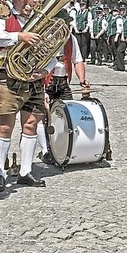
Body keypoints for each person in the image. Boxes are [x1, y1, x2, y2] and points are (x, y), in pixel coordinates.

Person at [0, 0, 51, 190]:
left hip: (34, 79)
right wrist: (20, 36)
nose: (27, 1)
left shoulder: (40, 20)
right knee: (5, 126)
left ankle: (26, 170)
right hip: (10, 78)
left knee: (31, 124)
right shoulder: (4, 17)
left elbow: (52, 49)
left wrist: (46, 69)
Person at [36, 9, 88, 162]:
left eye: (67, 23)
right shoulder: (44, 39)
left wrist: (82, 78)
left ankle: (63, 148)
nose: (65, 26)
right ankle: (45, 150)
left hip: (63, 81)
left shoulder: (71, 39)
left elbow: (77, 60)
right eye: (62, 23)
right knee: (42, 117)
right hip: (47, 82)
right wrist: (41, 86)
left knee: (68, 115)